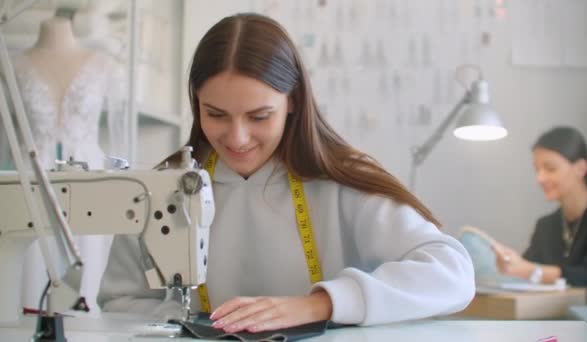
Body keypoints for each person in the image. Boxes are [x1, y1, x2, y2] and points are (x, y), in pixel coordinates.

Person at [98, 13, 475, 332]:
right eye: (216, 114)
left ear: (293, 99)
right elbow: (118, 301)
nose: (237, 137)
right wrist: (187, 322)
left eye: (259, 116)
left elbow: (452, 273)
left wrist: (323, 304)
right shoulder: (160, 190)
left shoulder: (342, 181)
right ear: (196, 102)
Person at [9, 16, 126, 312]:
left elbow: (119, 138)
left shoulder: (104, 65)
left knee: (86, 274)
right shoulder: (12, 65)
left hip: (88, 176)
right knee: (32, 265)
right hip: (33, 175)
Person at [494, 126, 587, 287]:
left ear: (581, 168)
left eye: (550, 168)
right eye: (537, 170)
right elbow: (524, 271)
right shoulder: (546, 226)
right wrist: (510, 264)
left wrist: (530, 271)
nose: (540, 178)